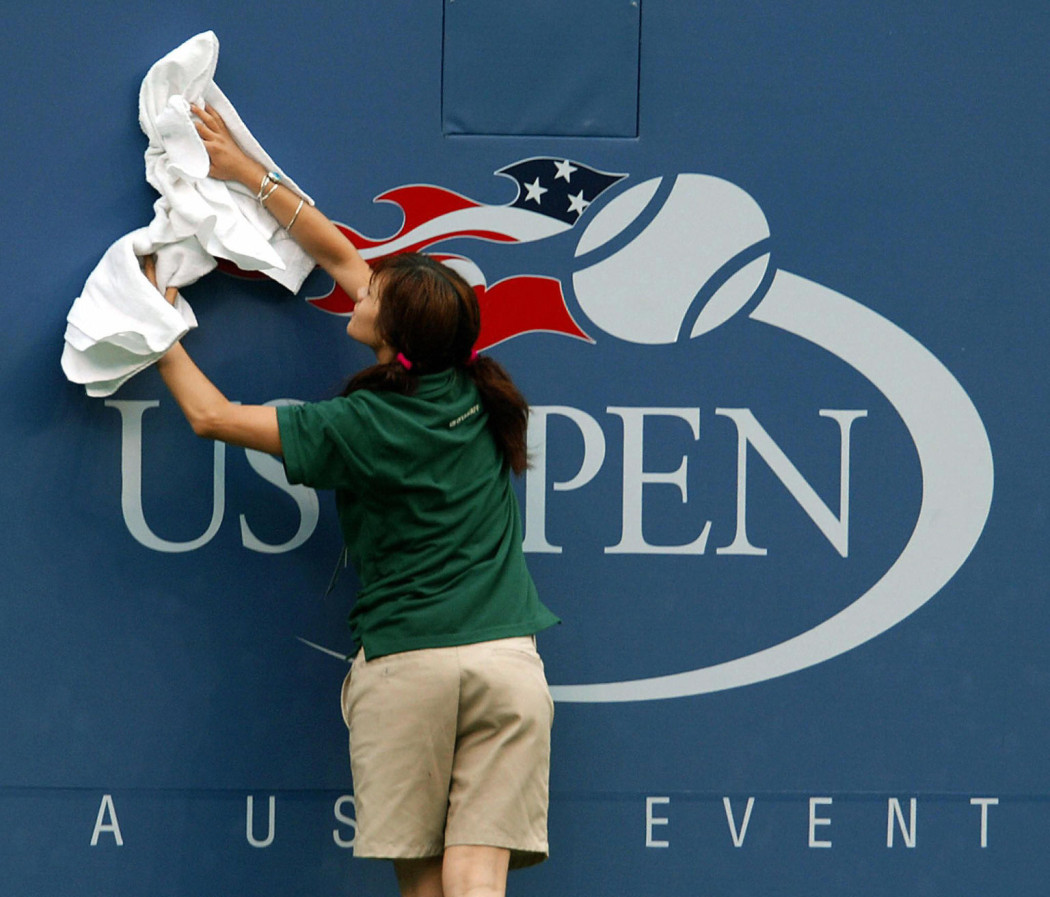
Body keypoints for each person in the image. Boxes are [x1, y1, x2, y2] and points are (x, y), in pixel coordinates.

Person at [149, 104, 559, 897]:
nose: (359, 292)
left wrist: (154, 326)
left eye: (375, 296)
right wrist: (249, 174)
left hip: (408, 667)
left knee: (424, 883)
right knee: (477, 878)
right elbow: (340, 254)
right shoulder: (478, 388)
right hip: (509, 668)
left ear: (393, 334)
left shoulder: (359, 424)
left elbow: (212, 417)